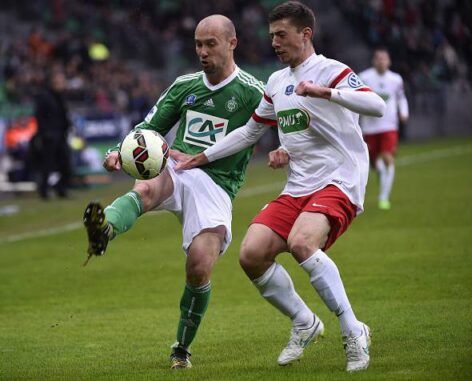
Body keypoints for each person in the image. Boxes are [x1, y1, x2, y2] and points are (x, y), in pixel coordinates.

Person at [175, 1, 386, 372]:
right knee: (251, 254)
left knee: (302, 243)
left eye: (282, 35)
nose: (274, 42)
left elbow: (376, 105)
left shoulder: (331, 70)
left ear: (305, 34)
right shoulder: (276, 82)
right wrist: (203, 156)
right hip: (299, 185)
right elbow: (252, 130)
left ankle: (353, 329)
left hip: (340, 179)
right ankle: (305, 323)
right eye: (272, 35)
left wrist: (327, 93)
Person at [82, 15, 266, 369]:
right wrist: (118, 155)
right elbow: (147, 130)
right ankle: (105, 229)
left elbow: (285, 120)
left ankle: (182, 346)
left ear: (232, 43)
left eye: (210, 43)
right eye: (198, 44)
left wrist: (287, 148)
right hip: (178, 168)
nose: (202, 51)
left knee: (198, 267)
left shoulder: (252, 92)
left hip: (217, 185)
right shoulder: (184, 86)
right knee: (148, 186)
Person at [359, 48, 409, 210]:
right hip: (369, 127)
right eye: (379, 59)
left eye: (384, 59)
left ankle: (384, 197)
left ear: (389, 61)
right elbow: (357, 98)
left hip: (389, 125)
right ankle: (382, 181)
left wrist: (404, 112)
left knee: (387, 158)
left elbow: (401, 98)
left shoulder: (396, 79)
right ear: (374, 61)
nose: (381, 62)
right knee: (376, 164)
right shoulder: (364, 77)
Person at [33, 71, 72, 199]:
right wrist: (44, 133)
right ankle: (43, 191)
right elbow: (39, 116)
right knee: (47, 164)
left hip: (61, 134)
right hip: (49, 136)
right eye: (60, 80)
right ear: (54, 81)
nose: (63, 83)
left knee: (65, 163)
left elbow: (64, 115)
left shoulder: (61, 96)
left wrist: (68, 127)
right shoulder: (44, 96)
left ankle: (61, 189)